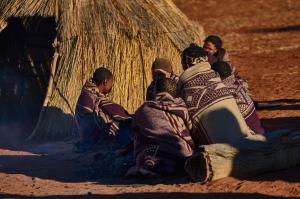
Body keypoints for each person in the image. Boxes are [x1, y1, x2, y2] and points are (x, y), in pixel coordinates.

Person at [178, 43, 254, 146]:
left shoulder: (185, 91)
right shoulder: (218, 81)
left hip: (219, 153)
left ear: (186, 65)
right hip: (247, 143)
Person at [127, 78, 194, 177]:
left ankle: (153, 165)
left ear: (155, 91)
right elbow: (190, 129)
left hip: (152, 153)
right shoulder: (181, 108)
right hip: (182, 154)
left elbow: (134, 131)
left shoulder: (144, 109)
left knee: (139, 139)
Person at [75, 67, 132, 151]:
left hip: (91, 136)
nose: (111, 86)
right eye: (111, 83)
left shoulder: (90, 94)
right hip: (92, 138)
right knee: (121, 126)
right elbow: (88, 123)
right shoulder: (90, 97)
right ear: (105, 82)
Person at [211, 61, 265, 134]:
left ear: (216, 75)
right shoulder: (237, 83)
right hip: (259, 132)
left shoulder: (225, 93)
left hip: (249, 137)